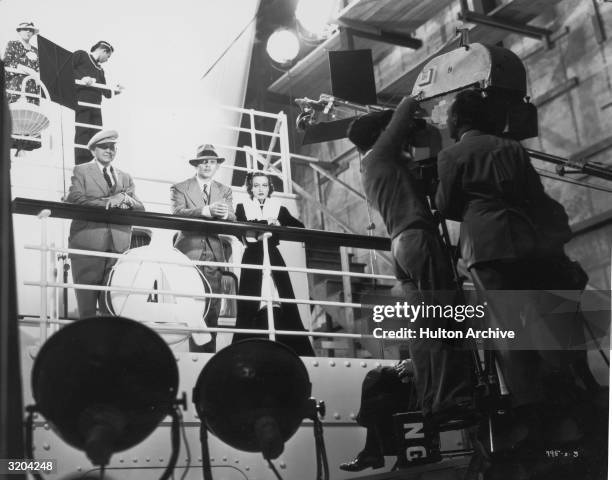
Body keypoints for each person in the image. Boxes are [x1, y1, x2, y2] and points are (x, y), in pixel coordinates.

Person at [435, 89, 599, 453]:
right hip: (525, 241)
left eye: (448, 117)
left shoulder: (450, 155)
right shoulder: (511, 149)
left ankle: (533, 415)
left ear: (460, 121)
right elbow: (534, 194)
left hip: (485, 248)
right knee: (542, 324)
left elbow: (446, 205)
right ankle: (567, 409)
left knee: (508, 331)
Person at [348, 97, 474, 421]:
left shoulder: (377, 167)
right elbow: (403, 111)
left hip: (401, 246)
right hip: (418, 238)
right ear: (379, 135)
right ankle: (453, 397)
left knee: (423, 329)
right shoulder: (379, 156)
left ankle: (431, 400)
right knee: (444, 320)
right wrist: (413, 102)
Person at [230, 172, 315, 357]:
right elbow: (239, 228)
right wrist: (268, 223)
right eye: (257, 185)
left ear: (269, 188)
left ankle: (292, 347)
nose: (261, 189)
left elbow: (299, 226)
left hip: (274, 256)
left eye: (264, 185)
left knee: (282, 299)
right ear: (251, 188)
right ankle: (246, 347)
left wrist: (279, 225)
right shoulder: (241, 207)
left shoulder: (279, 208)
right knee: (251, 302)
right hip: (252, 256)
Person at [65, 129, 144, 319]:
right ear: (93, 150)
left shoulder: (125, 177)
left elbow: (140, 208)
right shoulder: (81, 170)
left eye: (112, 147)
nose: (109, 150)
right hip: (87, 246)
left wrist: (125, 197)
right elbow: (75, 198)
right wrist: (110, 202)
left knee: (111, 309)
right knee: (87, 311)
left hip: (118, 249)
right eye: (104, 147)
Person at [171, 144, 235, 353]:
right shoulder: (180, 187)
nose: (208, 165)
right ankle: (194, 356)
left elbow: (233, 217)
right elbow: (178, 213)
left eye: (212, 162)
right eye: (204, 161)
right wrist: (206, 210)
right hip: (188, 253)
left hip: (214, 254)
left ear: (217, 166)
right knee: (191, 307)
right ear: (197, 164)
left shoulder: (224, 190)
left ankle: (208, 356)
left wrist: (225, 215)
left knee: (213, 308)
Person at [339, 359, 417, 472]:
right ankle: (372, 451)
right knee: (383, 397)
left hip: (436, 376)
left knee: (378, 375)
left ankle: (372, 452)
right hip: (430, 373)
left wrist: (417, 364)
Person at [72, 41, 123, 165]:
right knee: (83, 133)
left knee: (96, 136)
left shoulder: (100, 70)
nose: (107, 60)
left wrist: (115, 90)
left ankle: (92, 163)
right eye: (108, 56)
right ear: (103, 51)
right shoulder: (82, 55)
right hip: (83, 103)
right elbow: (67, 68)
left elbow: (104, 91)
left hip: (96, 107)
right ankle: (80, 163)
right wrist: (81, 78)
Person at [3, 22, 40, 105]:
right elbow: (7, 63)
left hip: (33, 92)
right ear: (19, 31)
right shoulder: (13, 44)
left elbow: (39, 68)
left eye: (30, 30)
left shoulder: (35, 50)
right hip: (16, 89)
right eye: (25, 29)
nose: (28, 31)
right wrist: (29, 70)